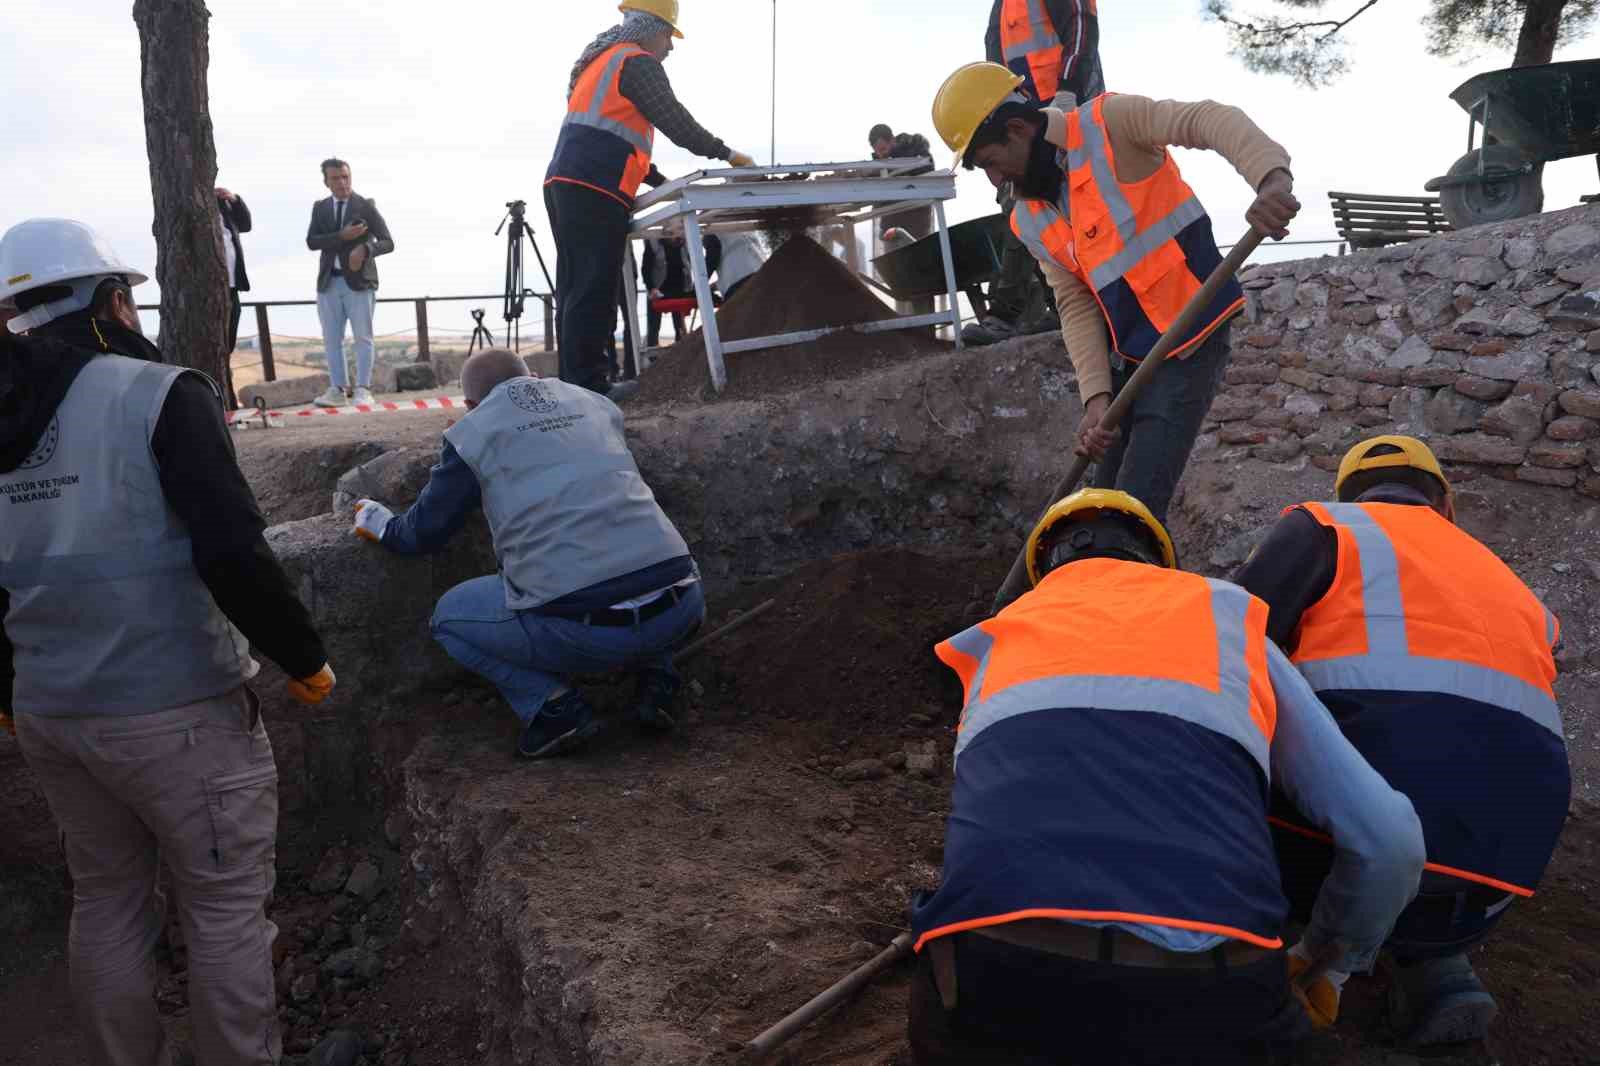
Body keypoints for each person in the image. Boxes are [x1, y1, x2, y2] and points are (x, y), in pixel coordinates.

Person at [908, 488, 1425, 1065]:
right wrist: (1323, 963)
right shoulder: (1225, 616)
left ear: (1043, 573)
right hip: (1212, 996)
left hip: (992, 981)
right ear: (1159, 561)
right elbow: (1390, 840)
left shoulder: (998, 638)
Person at [0, 217, 335, 1066]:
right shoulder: (153, 394)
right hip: (177, 713)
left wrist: (5, 695)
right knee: (222, 908)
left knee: (106, 900)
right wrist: (303, 658)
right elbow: (231, 549)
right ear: (111, 301)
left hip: (51, 714)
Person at [1233, 436, 1570, 1045]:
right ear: (1444, 503)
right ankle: (1440, 967)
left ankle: (1269, 949)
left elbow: (1228, 638)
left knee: (1240, 729)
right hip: (1503, 869)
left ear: (1349, 494)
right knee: (1443, 810)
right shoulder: (1516, 589)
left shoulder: (1326, 526)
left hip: (1326, 852)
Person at [932, 63, 1301, 525]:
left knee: (1132, 511)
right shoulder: (1028, 218)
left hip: (1191, 339)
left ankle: (1137, 583)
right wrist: (1096, 400)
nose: (994, 179)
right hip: (1130, 356)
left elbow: (1211, 119)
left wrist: (1271, 181)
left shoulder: (1112, 124)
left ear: (1018, 128)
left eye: (988, 161)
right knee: (1097, 504)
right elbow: (1075, 303)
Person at [349, 349, 705, 759]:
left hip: (590, 634)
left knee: (448, 618)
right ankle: (659, 679)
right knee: (632, 556)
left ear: (469, 407)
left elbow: (421, 534)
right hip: (684, 606)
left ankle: (553, 707)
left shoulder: (472, 432)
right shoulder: (593, 403)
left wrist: (380, 523)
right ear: (533, 377)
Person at [544, 0, 754, 400]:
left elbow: (616, 138)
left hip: (566, 183)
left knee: (575, 287)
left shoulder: (600, 62)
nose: (670, 48)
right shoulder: (636, 61)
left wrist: (658, 178)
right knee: (594, 288)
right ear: (651, 28)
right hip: (595, 188)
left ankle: (575, 386)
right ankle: (590, 386)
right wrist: (726, 153)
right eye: (668, 37)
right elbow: (675, 121)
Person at [961, 0, 1107, 348]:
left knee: (1081, 209)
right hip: (1025, 125)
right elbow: (995, 76)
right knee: (1021, 208)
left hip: (1071, 110)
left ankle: (1014, 312)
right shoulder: (1001, 11)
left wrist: (1070, 90)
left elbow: (1082, 30)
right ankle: (1035, 309)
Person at [306, 157, 394, 408]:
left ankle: (363, 389)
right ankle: (337, 390)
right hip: (328, 284)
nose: (343, 182)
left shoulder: (365, 205)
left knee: (363, 338)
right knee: (331, 339)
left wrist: (365, 249)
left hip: (359, 283)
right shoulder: (320, 207)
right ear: (327, 182)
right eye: (336, 178)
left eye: (346, 176)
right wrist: (341, 236)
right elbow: (312, 241)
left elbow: (388, 242)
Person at [867, 124, 936, 240]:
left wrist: (895, 166)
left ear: (893, 140)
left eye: (883, 149)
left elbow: (927, 169)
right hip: (890, 226)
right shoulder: (877, 167)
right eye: (877, 152)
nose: (881, 154)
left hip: (917, 222)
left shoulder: (914, 146)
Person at [216, 185, 252, 409]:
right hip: (210, 287)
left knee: (227, 346)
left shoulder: (223, 204)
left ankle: (228, 401)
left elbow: (246, 225)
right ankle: (223, 401)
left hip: (232, 285)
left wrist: (235, 199)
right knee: (216, 345)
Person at [641, 235, 692, 347]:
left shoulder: (685, 243)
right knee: (653, 328)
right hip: (658, 290)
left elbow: (690, 265)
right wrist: (652, 288)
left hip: (679, 290)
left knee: (680, 327)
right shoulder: (653, 243)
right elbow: (645, 268)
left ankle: (682, 350)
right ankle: (652, 357)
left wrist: (690, 287)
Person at [713, 231, 766, 303]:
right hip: (761, 272)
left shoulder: (711, 230)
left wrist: (698, 288)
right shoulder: (745, 227)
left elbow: (712, 256)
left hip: (737, 283)